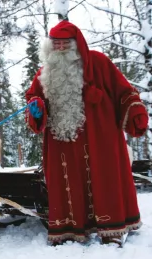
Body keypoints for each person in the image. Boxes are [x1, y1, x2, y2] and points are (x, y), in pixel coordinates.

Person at [25, 20, 148, 246]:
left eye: (65, 44)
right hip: (62, 140)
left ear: (76, 44)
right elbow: (34, 98)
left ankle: (111, 229)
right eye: (56, 44)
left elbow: (124, 91)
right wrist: (36, 107)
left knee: (105, 178)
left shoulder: (99, 63)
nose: (60, 48)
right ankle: (69, 229)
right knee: (66, 182)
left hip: (100, 136)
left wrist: (135, 110)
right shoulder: (45, 73)